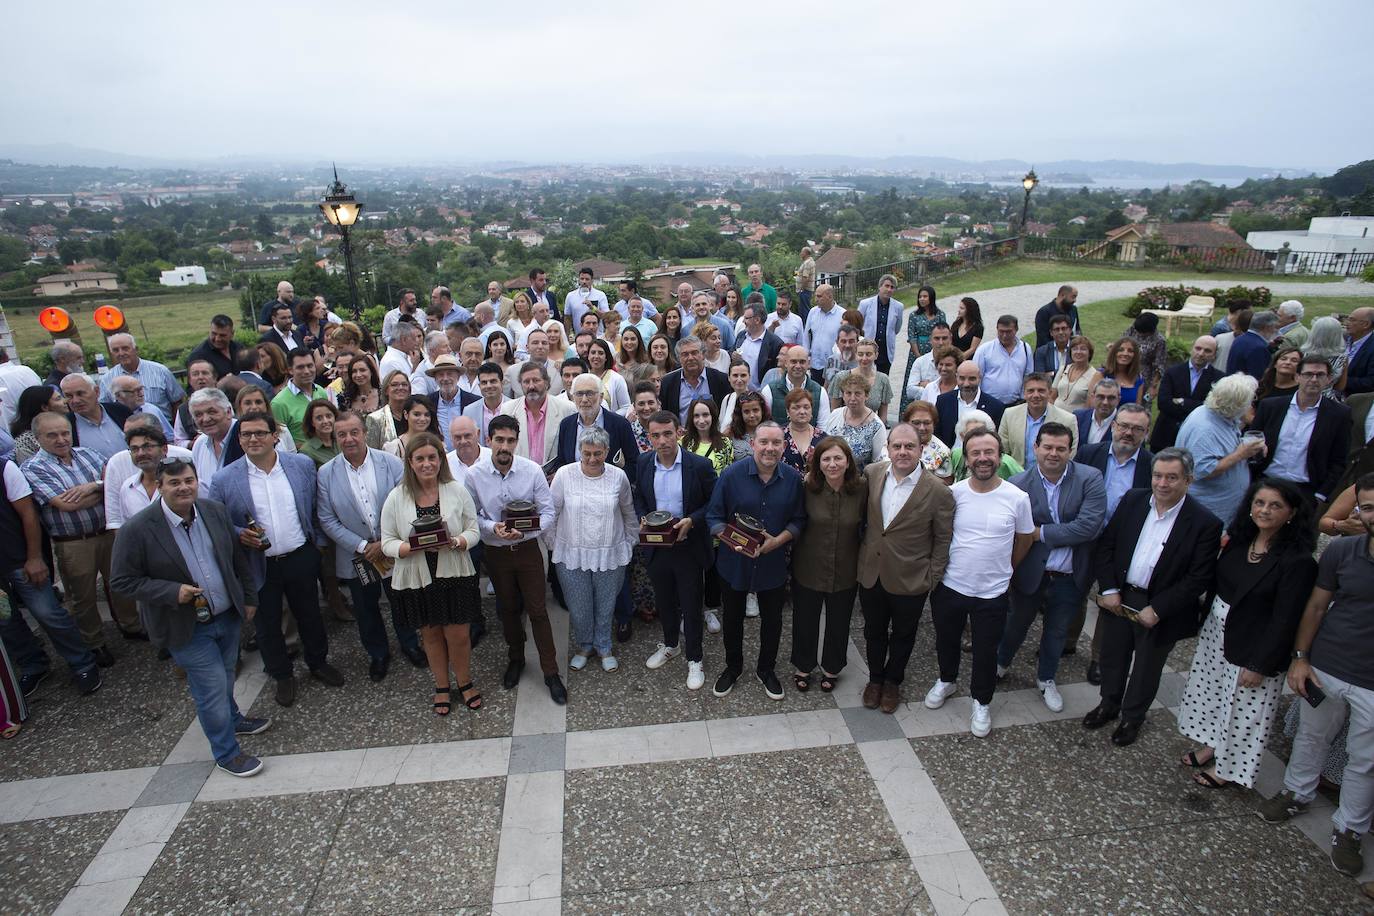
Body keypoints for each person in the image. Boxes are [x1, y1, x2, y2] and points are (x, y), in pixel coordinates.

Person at [110, 458, 268, 777]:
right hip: (186, 627)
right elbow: (121, 581)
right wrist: (171, 591)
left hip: (226, 616)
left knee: (224, 676)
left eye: (189, 480)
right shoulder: (138, 529)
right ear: (159, 486)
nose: (183, 487)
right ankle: (227, 753)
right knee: (209, 687)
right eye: (174, 482)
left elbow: (237, 560)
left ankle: (233, 719)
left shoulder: (213, 511)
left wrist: (249, 598)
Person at [1258, 471, 1374, 876]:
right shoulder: (1343, 553)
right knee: (1312, 735)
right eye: (1369, 506)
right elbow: (1315, 608)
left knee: (1365, 759)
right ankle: (1296, 792)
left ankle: (1350, 829)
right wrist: (1302, 657)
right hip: (1328, 666)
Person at [1179, 478, 1316, 790]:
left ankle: (1229, 769)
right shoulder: (1241, 541)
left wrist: (1259, 664)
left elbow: (1286, 619)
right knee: (1216, 696)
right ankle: (1213, 747)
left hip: (1256, 645)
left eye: (1275, 505)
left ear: (1292, 512)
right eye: (1259, 503)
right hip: (1219, 634)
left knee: (1245, 710)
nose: (1264, 510)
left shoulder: (1298, 562)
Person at [1084, 448, 1223, 747]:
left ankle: (1132, 718)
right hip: (1120, 598)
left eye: (1172, 478)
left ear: (1188, 480)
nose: (1162, 483)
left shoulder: (1204, 523)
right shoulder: (1133, 500)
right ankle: (1108, 704)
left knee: (1147, 667)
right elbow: (1107, 545)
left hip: (1161, 607)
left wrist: (1158, 609)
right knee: (1112, 657)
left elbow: (1198, 577)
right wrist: (1108, 589)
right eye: (1158, 475)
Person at [208, 411, 344, 707]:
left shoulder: (301, 465)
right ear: (239, 439)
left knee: (310, 614)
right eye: (246, 434)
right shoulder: (223, 479)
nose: (253, 439)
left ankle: (318, 663)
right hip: (258, 564)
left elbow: (314, 508)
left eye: (260, 433)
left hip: (300, 555)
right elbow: (215, 523)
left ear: (274, 436)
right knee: (267, 625)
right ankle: (282, 675)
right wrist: (238, 533)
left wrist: (317, 547)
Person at [925, 427, 1034, 736]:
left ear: (1000, 456)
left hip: (992, 592)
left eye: (989, 452)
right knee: (946, 639)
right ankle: (947, 680)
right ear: (967, 458)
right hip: (951, 586)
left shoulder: (1017, 498)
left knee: (986, 649)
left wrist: (1006, 568)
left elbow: (1024, 538)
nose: (983, 458)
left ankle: (981, 700)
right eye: (976, 453)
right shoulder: (954, 494)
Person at [996, 423, 1106, 712]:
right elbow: (1012, 531)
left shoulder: (1090, 478)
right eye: (1047, 447)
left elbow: (1090, 527)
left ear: (1071, 451)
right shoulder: (1018, 484)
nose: (1053, 453)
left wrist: (1039, 533)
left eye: (1061, 448)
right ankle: (1000, 664)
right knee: (1015, 624)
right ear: (1036, 448)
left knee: (1057, 631)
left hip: (1070, 575)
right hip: (1031, 572)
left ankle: (1046, 678)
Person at [375, 430, 483, 713]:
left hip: (454, 572)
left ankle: (464, 681)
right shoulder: (396, 497)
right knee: (431, 635)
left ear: (440, 459)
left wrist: (458, 541)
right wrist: (407, 548)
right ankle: (441, 685)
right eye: (420, 458)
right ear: (410, 462)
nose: (426, 464)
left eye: (432, 457)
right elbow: (386, 541)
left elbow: (474, 530)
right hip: (418, 576)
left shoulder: (457, 490)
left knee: (458, 635)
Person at [317, 411, 426, 681]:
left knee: (402, 599)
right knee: (366, 608)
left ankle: (410, 643)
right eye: (342, 434)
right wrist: (363, 545)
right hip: (358, 555)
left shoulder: (390, 463)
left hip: (392, 550)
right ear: (335, 437)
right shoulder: (326, 474)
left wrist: (384, 543)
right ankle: (378, 653)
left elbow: (408, 502)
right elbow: (326, 518)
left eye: (354, 432)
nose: (349, 438)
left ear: (364, 433)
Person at [854, 423, 953, 712]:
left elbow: (943, 538)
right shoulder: (873, 474)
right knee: (873, 631)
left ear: (921, 449)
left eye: (909, 446)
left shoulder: (937, 491)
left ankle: (893, 681)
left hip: (911, 578)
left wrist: (932, 577)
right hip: (872, 572)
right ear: (888, 448)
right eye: (897, 446)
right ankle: (875, 679)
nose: (903, 451)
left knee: (903, 634)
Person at [465, 414, 564, 703]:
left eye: (510, 440)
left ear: (517, 442)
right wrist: (492, 527)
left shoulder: (532, 471)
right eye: (499, 440)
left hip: (528, 551)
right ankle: (516, 658)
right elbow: (472, 516)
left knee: (537, 611)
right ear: (489, 441)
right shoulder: (474, 475)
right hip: (495, 553)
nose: (505, 446)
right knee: (508, 609)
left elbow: (547, 512)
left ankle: (550, 671)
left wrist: (526, 532)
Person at [22, 412, 137, 658]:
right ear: (37, 438)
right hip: (73, 542)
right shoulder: (33, 468)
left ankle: (131, 625)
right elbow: (67, 504)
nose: (61, 439)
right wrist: (101, 488)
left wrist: (92, 487)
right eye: (52, 435)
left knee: (121, 584)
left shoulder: (89, 454)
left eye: (65, 433)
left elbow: (115, 485)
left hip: (106, 533)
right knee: (82, 597)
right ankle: (95, 643)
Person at [707, 422, 804, 699]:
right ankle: (733, 667)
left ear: (783, 447)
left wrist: (779, 540)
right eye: (764, 442)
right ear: (753, 445)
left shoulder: (793, 479)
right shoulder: (731, 475)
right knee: (733, 619)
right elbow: (714, 517)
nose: (770, 448)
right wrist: (731, 539)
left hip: (772, 563)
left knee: (772, 621)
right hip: (734, 562)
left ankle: (766, 670)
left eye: (776, 443)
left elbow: (799, 519)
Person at [0, 449, 101, 697]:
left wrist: (35, 557)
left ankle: (82, 662)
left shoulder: (5, 469)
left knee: (48, 613)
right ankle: (34, 664)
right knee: (6, 620)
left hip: (19, 559)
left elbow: (28, 515)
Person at [550, 424, 637, 674]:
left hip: (610, 553)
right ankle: (585, 645)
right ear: (580, 450)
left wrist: (629, 543)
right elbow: (551, 513)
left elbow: (629, 513)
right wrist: (554, 545)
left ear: (607, 451)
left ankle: (604, 646)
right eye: (586, 453)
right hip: (571, 555)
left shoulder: (617, 476)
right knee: (579, 606)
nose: (591, 458)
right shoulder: (565, 475)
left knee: (606, 603)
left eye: (597, 453)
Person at [1247, 355, 1350, 510]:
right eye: (1308, 374)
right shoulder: (1271, 407)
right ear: (1297, 377)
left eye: (1320, 375)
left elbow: (1339, 460)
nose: (1314, 379)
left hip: (1305, 491)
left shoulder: (1339, 414)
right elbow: (1251, 439)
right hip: (1266, 482)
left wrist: (1320, 495)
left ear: (1328, 379)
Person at [1178, 373, 1266, 525]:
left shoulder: (1221, 415)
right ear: (1237, 404)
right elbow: (1203, 470)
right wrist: (1240, 454)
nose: (1251, 405)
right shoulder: (1204, 428)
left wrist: (1250, 446)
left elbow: (1224, 443)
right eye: (1250, 401)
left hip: (1221, 509)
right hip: (1208, 511)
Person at [497, 361, 576, 469]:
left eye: (536, 380)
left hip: (553, 478)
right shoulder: (508, 410)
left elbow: (571, 449)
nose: (531, 386)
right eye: (526, 381)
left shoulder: (567, 409)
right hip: (520, 476)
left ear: (547, 383)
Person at [555, 373, 637, 473]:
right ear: (573, 397)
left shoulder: (620, 424)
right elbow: (562, 461)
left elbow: (633, 463)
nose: (584, 400)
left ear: (601, 397)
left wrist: (615, 484)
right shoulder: (566, 425)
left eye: (590, 393)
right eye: (579, 394)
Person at [1151, 335, 1222, 451]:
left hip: (1198, 438)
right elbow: (1163, 403)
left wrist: (1182, 401)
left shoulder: (1219, 378)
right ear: (1191, 349)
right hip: (1166, 436)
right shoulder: (1172, 372)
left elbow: (1213, 408)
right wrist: (1198, 405)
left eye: (1207, 351)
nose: (1201, 353)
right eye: (1198, 348)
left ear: (1214, 355)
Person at [998, 373, 1077, 469]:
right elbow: (1003, 452)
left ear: (1050, 393)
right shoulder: (1009, 414)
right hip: (1016, 476)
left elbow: (1069, 456)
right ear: (1024, 393)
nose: (1036, 395)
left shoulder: (1067, 420)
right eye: (1031, 391)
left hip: (1051, 476)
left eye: (1041, 391)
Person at [101, 333, 185, 419]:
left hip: (163, 427)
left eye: (125, 348)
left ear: (136, 349)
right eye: (116, 350)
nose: (121, 353)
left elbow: (177, 402)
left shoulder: (160, 371)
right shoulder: (106, 380)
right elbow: (104, 410)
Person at [822, 372, 887, 470]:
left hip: (860, 480)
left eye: (857, 393)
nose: (852, 398)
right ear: (843, 396)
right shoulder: (835, 415)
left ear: (866, 395)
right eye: (848, 393)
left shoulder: (876, 426)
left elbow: (880, 462)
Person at [61, 373, 133, 461]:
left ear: (97, 391)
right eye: (69, 396)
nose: (75, 400)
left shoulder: (120, 411)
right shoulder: (66, 425)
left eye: (80, 394)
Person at [270, 348, 328, 445]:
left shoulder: (321, 391)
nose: (306, 371)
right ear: (290, 370)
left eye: (310, 366)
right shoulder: (279, 403)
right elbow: (281, 443)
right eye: (300, 367)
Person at [973, 315, 1033, 405]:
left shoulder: (1025, 348)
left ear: (1016, 330)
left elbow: (1028, 375)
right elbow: (976, 375)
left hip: (1016, 403)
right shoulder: (985, 350)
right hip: (989, 403)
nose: (1004, 335)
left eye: (1008, 332)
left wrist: (1023, 398)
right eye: (1001, 331)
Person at [764, 345, 831, 424]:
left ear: (808, 364)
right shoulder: (769, 390)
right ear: (786, 363)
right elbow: (765, 423)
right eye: (793, 361)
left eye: (802, 362)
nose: (798, 366)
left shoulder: (820, 392)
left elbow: (824, 425)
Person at [829, 338, 892, 419]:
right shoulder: (842, 377)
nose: (864, 358)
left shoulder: (883, 380)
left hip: (871, 426)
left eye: (868, 354)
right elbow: (834, 410)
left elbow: (883, 414)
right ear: (856, 355)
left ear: (876, 355)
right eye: (860, 354)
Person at [858, 274, 905, 375]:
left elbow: (897, 328)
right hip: (868, 347)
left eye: (892, 287)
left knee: (883, 378)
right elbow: (858, 324)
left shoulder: (898, 307)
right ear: (880, 287)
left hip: (885, 349)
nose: (889, 289)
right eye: (886, 286)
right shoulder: (865, 304)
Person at [12, 385, 70, 464]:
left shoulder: (68, 423)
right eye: (58, 399)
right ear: (45, 407)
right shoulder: (25, 440)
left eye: (65, 434)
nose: (65, 401)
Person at [901, 400, 955, 483]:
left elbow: (944, 487)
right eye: (916, 422)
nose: (922, 428)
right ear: (906, 423)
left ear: (934, 424)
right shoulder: (894, 443)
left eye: (927, 423)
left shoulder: (942, 452)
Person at [734, 300, 784, 389]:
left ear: (757, 320)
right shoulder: (741, 336)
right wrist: (733, 356)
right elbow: (732, 351)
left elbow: (778, 372)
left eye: (746, 318)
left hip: (761, 394)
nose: (743, 322)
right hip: (740, 390)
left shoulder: (775, 343)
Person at [803, 284, 844, 384]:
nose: (816, 299)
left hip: (833, 366)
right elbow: (806, 336)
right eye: (816, 296)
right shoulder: (813, 312)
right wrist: (805, 357)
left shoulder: (842, 314)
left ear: (830, 296)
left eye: (819, 296)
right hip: (815, 364)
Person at [906, 324, 954, 405]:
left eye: (944, 338)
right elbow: (910, 391)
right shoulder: (920, 362)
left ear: (951, 339)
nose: (941, 342)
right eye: (937, 338)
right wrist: (933, 389)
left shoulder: (958, 363)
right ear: (930, 339)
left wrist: (927, 386)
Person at [464, 362, 510, 448]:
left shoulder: (515, 407)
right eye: (484, 382)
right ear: (479, 386)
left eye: (493, 381)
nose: (488, 386)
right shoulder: (469, 411)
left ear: (502, 383)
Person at [1306, 315, 1352, 400]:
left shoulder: (1303, 355)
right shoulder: (1342, 359)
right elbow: (1340, 387)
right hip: (1327, 400)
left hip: (1303, 396)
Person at [780, 388, 824, 474]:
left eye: (806, 407)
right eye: (796, 407)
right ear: (787, 411)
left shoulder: (823, 438)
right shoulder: (777, 435)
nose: (802, 412)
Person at [1124, 312, 1167, 402]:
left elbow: (1159, 365)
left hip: (1143, 374)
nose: (1140, 334)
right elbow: (1122, 343)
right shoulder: (1133, 329)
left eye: (1143, 333)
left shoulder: (1159, 341)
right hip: (1125, 369)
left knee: (1139, 402)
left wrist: (1153, 386)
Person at [186, 314, 243, 381]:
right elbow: (192, 388)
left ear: (232, 334)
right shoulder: (198, 356)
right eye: (214, 334)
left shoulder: (239, 347)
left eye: (222, 335)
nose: (217, 339)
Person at [1228, 310, 1281, 379]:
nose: (1275, 331)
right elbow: (1259, 376)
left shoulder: (1240, 339)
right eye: (1275, 327)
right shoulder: (1259, 347)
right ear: (1266, 327)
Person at [367, 370, 412, 450]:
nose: (400, 388)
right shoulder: (375, 418)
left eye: (404, 384)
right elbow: (371, 451)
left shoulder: (415, 416)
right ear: (386, 390)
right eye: (395, 385)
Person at [1073, 379, 1120, 447]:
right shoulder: (1078, 417)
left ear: (1118, 399)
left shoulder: (1123, 424)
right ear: (1092, 397)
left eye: (1111, 398)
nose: (1105, 402)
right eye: (1101, 397)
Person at [1101, 337, 1145, 405]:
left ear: (1135, 355)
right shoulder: (1101, 374)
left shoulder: (1138, 379)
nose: (1125, 353)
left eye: (1130, 351)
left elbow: (1137, 408)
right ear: (1114, 352)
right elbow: (1090, 406)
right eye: (1121, 350)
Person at [564, 267, 609, 333]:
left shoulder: (600, 295)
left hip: (597, 337)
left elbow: (606, 316)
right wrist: (567, 336)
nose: (584, 281)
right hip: (579, 337)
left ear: (592, 281)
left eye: (587, 279)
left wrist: (593, 308)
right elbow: (567, 318)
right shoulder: (571, 296)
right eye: (582, 279)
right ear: (578, 280)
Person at [727, 390, 766, 460]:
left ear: (762, 411)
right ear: (740, 413)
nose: (752, 415)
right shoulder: (730, 434)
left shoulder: (771, 432)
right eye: (746, 412)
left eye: (755, 410)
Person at [300, 399, 340, 467]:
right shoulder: (306, 452)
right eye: (319, 418)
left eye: (329, 416)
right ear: (312, 422)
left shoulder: (341, 441)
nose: (325, 421)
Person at [796, 247, 816, 314]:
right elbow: (800, 274)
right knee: (805, 308)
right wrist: (796, 274)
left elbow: (805, 278)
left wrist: (802, 289)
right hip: (806, 290)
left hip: (805, 291)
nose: (800, 253)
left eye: (802, 252)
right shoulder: (809, 262)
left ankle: (805, 324)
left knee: (804, 310)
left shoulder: (807, 263)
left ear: (806, 253)